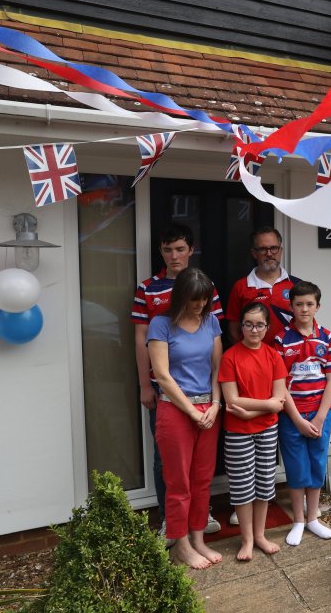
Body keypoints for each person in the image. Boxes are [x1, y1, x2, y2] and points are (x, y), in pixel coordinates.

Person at [132, 223, 223, 539]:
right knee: (167, 462)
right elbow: (141, 337)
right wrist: (146, 383)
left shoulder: (206, 290)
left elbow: (213, 346)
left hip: (204, 395)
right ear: (161, 251)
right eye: (168, 249)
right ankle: (171, 523)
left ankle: (198, 518)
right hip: (168, 393)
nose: (174, 255)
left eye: (180, 249)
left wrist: (218, 400)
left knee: (199, 469)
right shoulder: (148, 290)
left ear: (190, 250)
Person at [147, 267, 224, 570]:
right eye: (194, 300)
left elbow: (218, 369)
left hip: (209, 410)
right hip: (176, 410)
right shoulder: (161, 324)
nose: (200, 306)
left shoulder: (212, 322)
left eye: (204, 300)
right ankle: (180, 544)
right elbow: (163, 376)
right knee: (177, 481)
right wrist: (193, 412)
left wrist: (216, 405)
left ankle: (198, 538)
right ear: (180, 296)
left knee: (203, 479)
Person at [219, 302, 287, 561]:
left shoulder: (273, 356)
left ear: (267, 327)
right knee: (242, 487)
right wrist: (266, 406)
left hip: (267, 430)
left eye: (259, 324)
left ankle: (260, 535)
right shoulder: (230, 357)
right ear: (241, 326)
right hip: (238, 432)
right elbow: (232, 400)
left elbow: (279, 399)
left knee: (263, 484)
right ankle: (246, 540)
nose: (254, 329)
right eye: (248, 324)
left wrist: (252, 411)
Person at [275, 280, 331, 546]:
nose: (304, 309)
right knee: (296, 465)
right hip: (292, 415)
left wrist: (320, 416)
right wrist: (297, 419)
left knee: (317, 462)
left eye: (309, 304)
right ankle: (298, 521)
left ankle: (313, 518)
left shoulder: (327, 336)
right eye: (299, 304)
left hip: (321, 414)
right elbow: (279, 385)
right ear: (291, 307)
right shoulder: (281, 339)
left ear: (318, 306)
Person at [226, 226, 300, 346]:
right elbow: (234, 331)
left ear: (280, 251)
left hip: (290, 359)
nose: (269, 254)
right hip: (254, 360)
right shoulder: (241, 287)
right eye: (263, 249)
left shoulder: (297, 285)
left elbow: (306, 324)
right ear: (254, 253)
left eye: (273, 248)